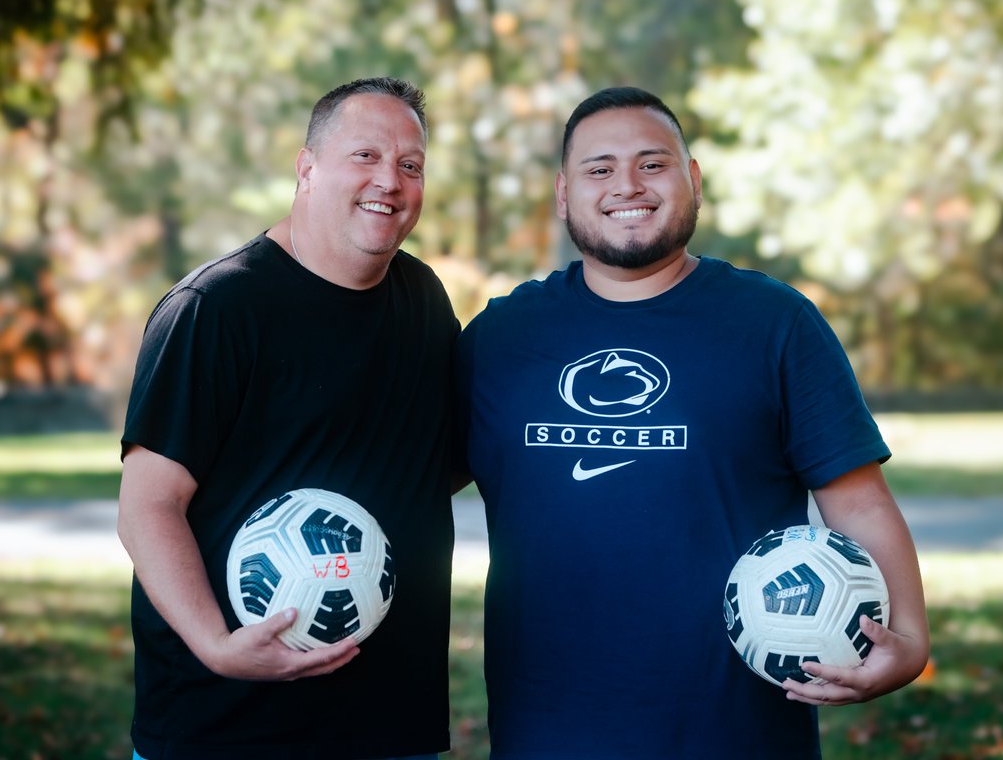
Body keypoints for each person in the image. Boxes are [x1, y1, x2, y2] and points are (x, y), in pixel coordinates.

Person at [454, 87, 930, 758]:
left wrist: (910, 640)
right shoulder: (501, 337)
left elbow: (859, 504)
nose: (627, 184)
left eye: (652, 164)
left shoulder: (774, 323)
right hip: (548, 727)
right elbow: (410, 481)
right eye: (599, 168)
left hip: (736, 731)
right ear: (563, 194)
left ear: (693, 180)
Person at [117, 77, 460, 760]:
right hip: (228, 726)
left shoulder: (421, 297)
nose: (389, 181)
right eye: (365, 156)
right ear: (307, 168)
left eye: (410, 165)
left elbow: (439, 463)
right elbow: (148, 506)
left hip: (391, 719)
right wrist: (217, 646)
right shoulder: (215, 309)